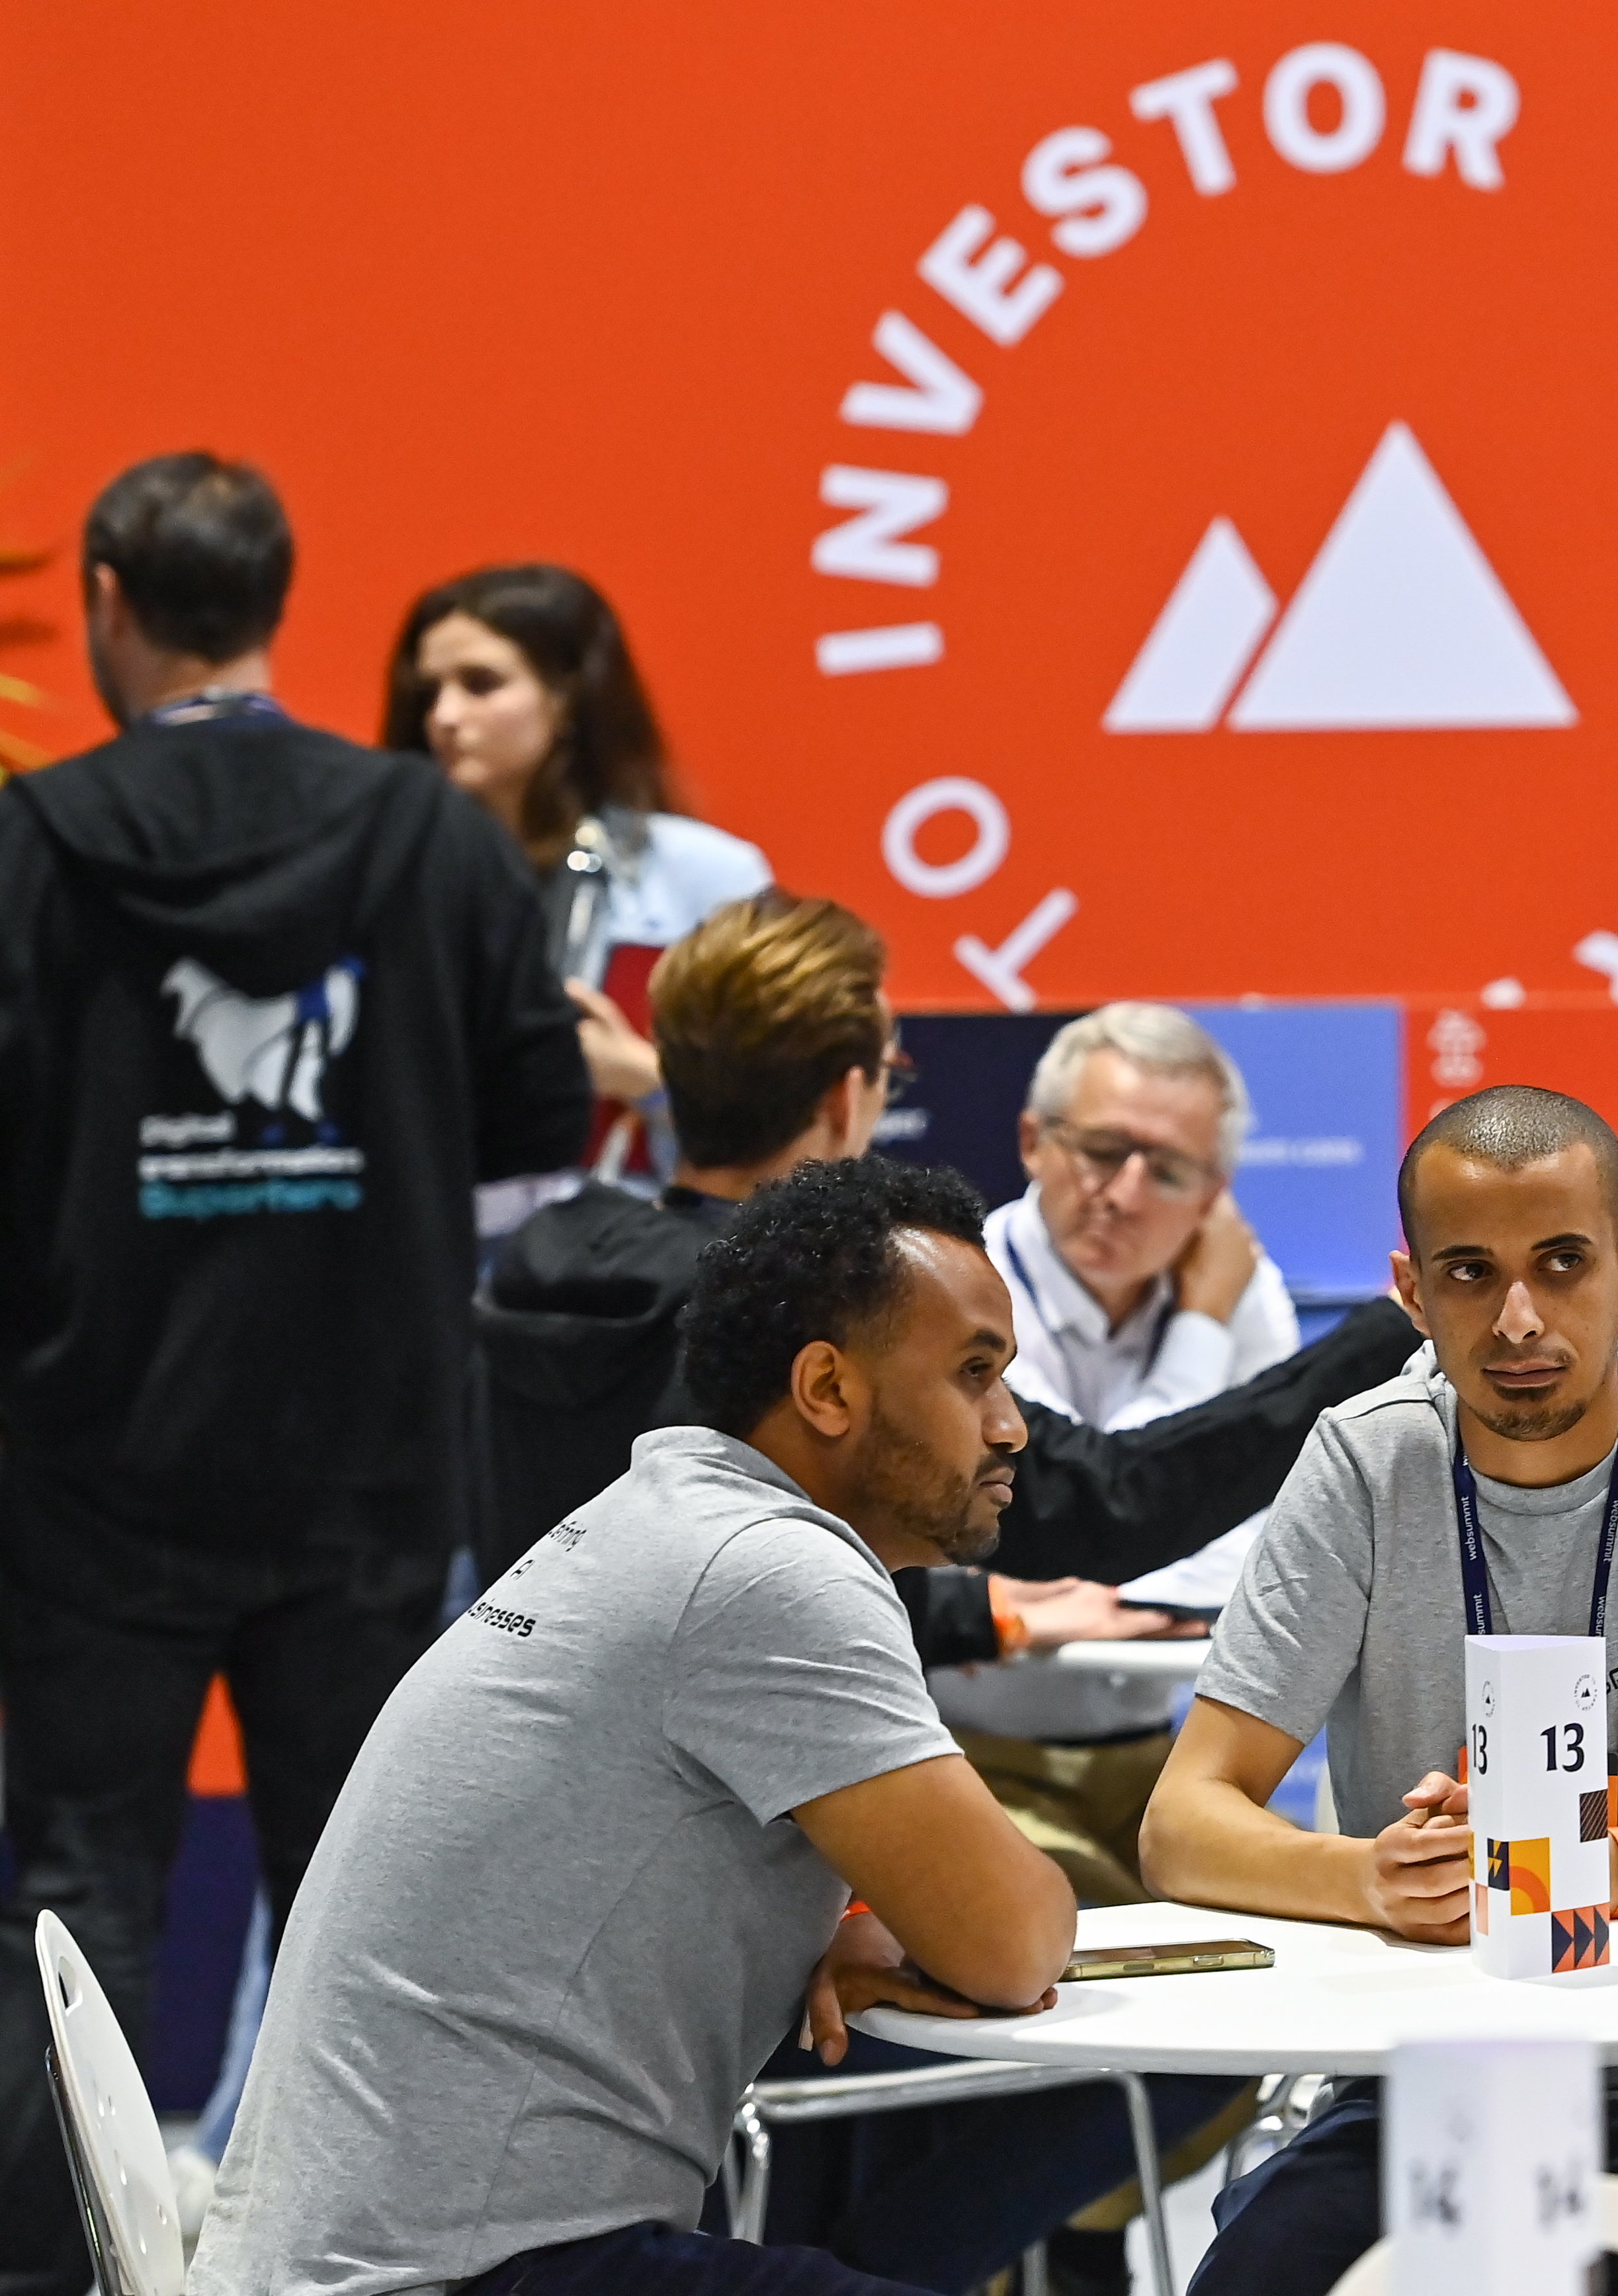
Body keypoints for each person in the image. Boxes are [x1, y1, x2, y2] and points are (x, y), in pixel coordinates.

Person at [0, 452, 590, 2295]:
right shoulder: (425, 834)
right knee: (361, 1895)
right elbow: (542, 1107)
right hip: (368, 1456)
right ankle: (373, 2264)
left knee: (73, 1901)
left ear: (106, 594)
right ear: (278, 596)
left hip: (91, 1454)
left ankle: (41, 2265)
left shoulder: (31, 841)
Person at [191, 1159, 1092, 2296]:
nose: (1010, 1427)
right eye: (976, 1374)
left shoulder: (662, 1515)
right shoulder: (770, 1571)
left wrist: (836, 1929)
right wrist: (993, 1912)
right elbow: (1011, 1945)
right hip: (464, 2272)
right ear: (827, 1388)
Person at [1144, 1085, 1618, 2294]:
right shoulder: (1367, 1456)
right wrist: (1371, 1878)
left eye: (1562, 1263)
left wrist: (1559, 1866)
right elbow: (1183, 1820)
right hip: (1422, 2070)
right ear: (1412, 1293)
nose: (1519, 1317)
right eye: (1469, 1273)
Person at [474, 895, 1423, 1603]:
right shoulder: (819, 1306)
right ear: (847, 1098)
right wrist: (1397, 1324)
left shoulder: (533, 1269)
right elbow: (1106, 1506)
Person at [942, 1004, 1300, 1903]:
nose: (1127, 1193)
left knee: (1310, 1921)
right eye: (1100, 1151)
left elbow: (1260, 1526)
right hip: (963, 1757)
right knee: (1092, 1921)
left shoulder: (1244, 1288)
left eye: (1169, 1170)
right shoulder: (954, 1283)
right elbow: (1101, 1510)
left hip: (1161, 1757)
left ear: (1213, 1193)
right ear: (1032, 1140)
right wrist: (1197, 1328)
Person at [382, 562, 770, 1215]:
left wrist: (647, 1082)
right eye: (429, 692)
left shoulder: (709, 877)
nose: (443, 717)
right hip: (443, 1260)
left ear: (567, 697)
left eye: (481, 685)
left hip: (647, 1261)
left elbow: (789, 1132)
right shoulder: (390, 875)